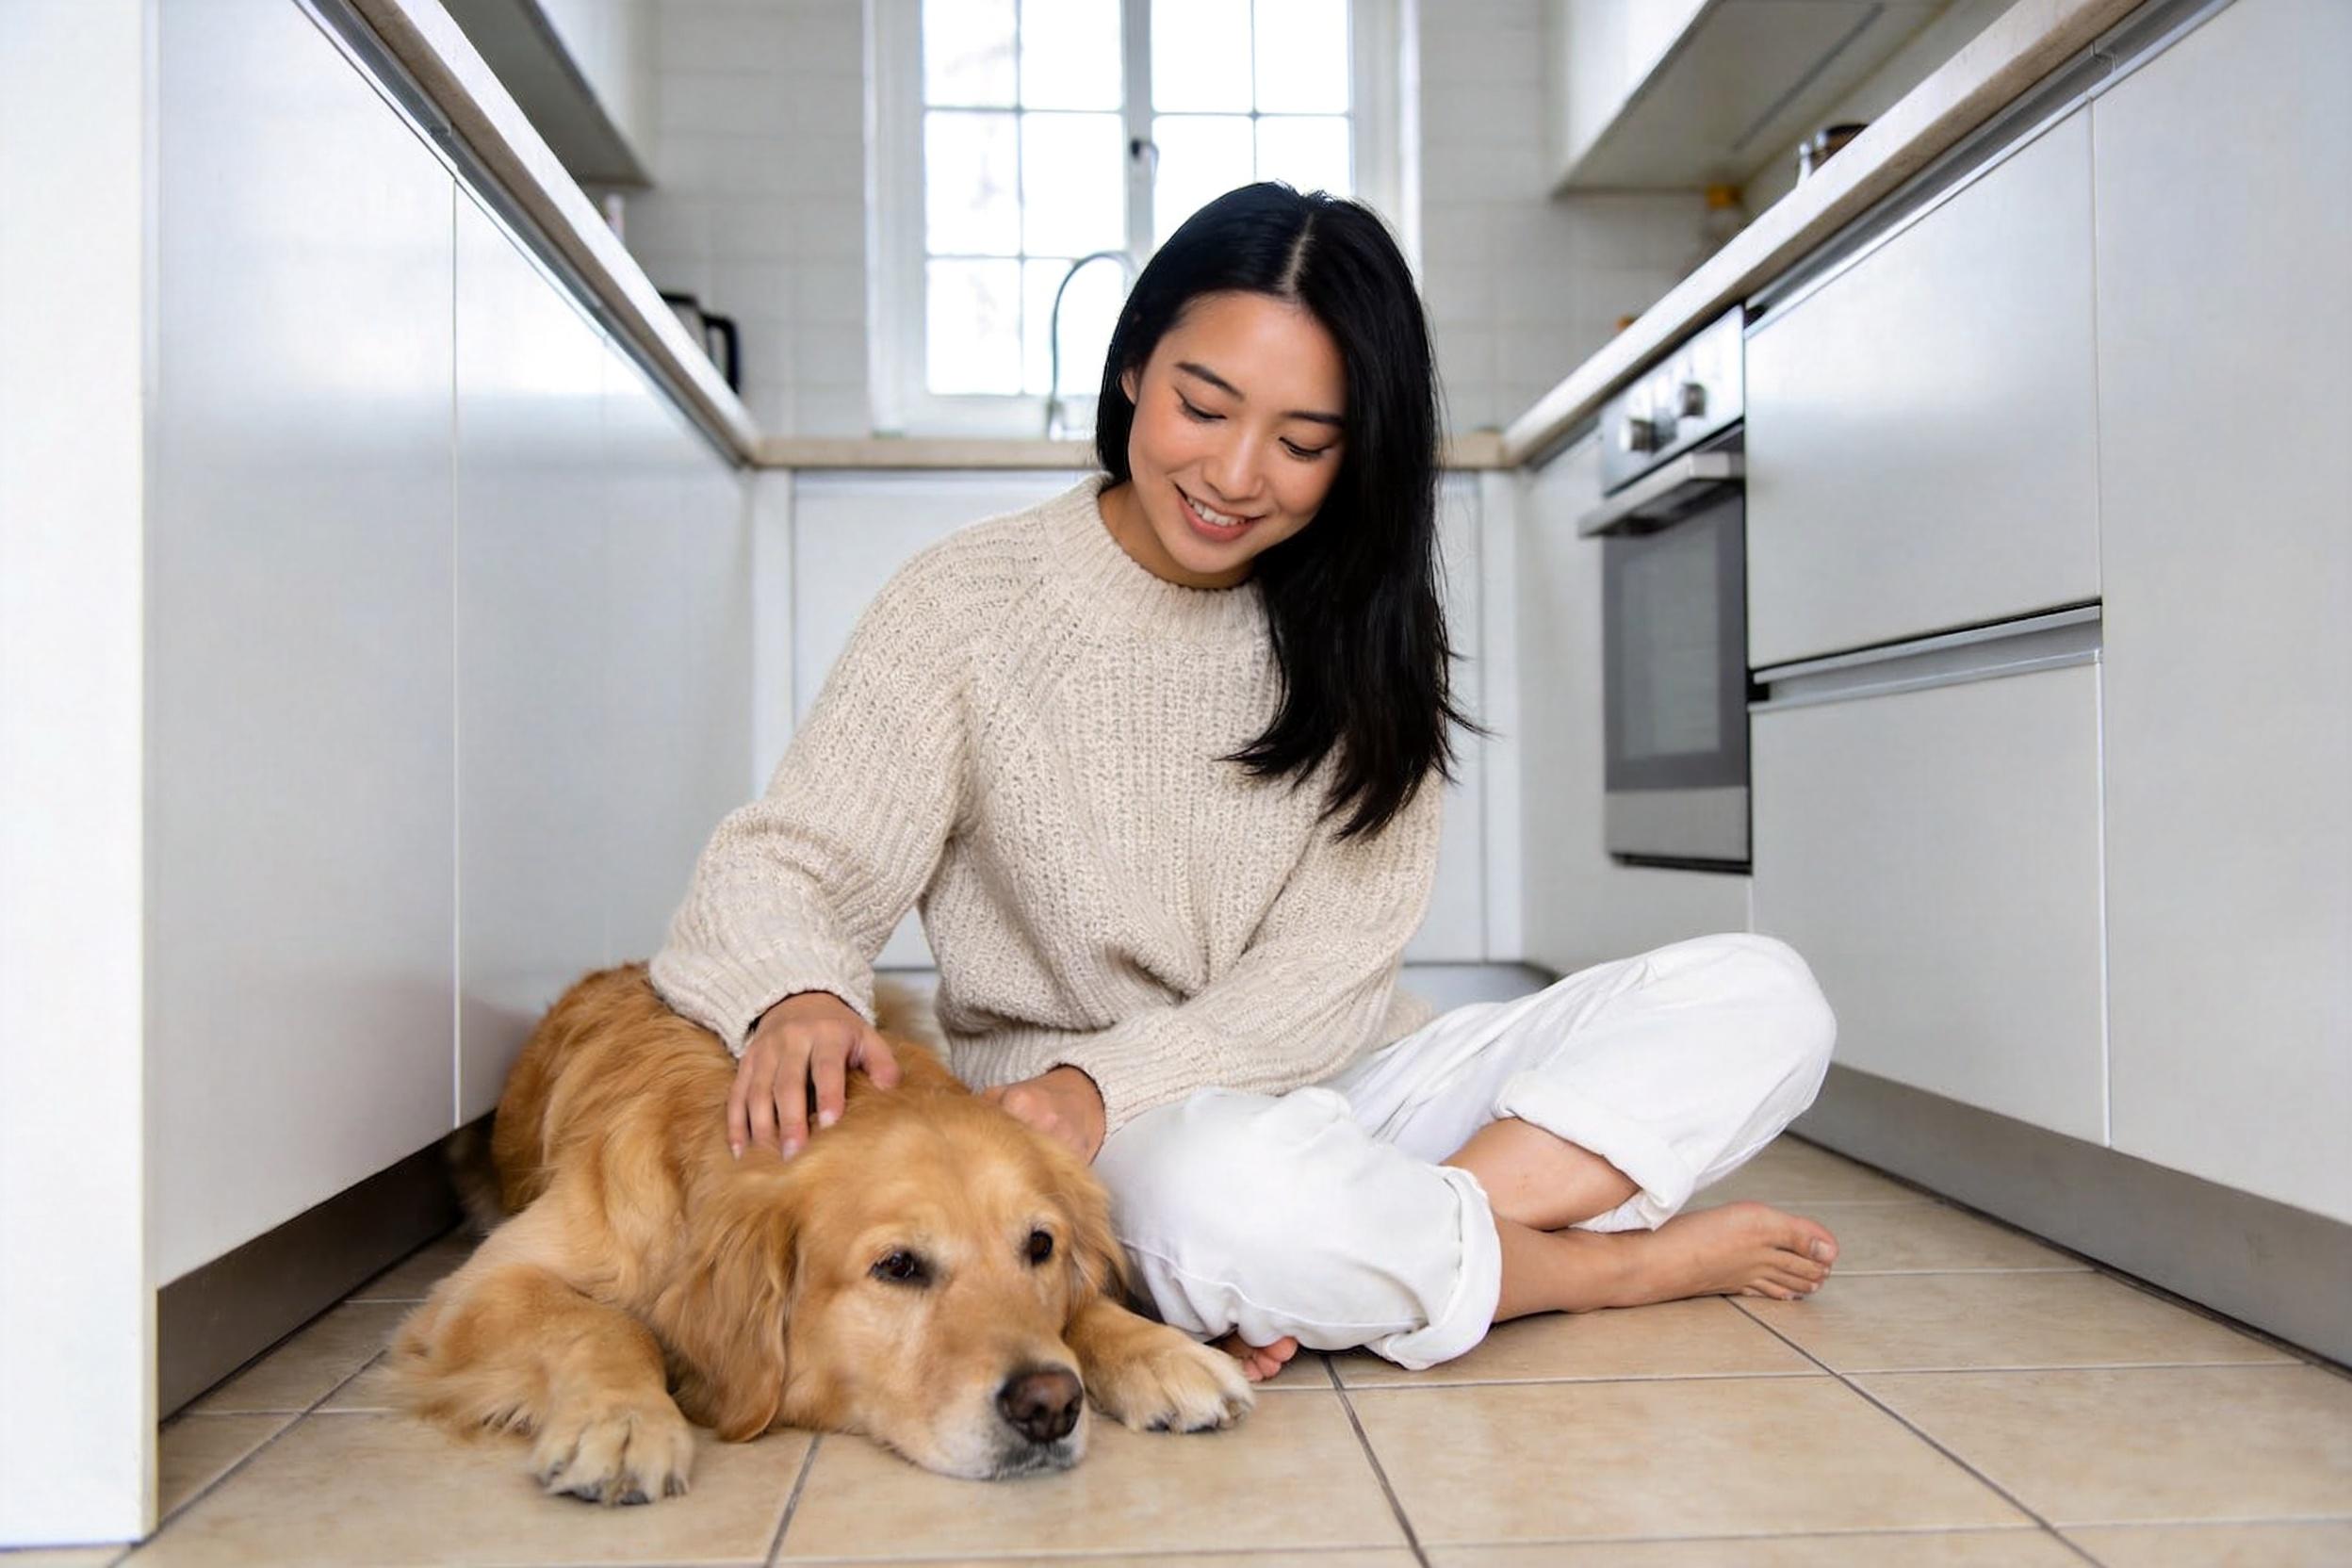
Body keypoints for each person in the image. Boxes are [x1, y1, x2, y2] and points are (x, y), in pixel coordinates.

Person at [650, 182, 1839, 1380]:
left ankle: (1395, 1248)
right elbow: (787, 861)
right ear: (1132, 371)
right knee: (1242, 1200)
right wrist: (796, 990)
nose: (1234, 472)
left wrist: (1160, 1103)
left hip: (1352, 1074)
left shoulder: (1366, 630)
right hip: (1110, 1128)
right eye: (1201, 405)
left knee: (1768, 995)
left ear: (1356, 449)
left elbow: (1325, 981)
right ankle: (1603, 1267)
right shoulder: (964, 603)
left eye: (1305, 441)